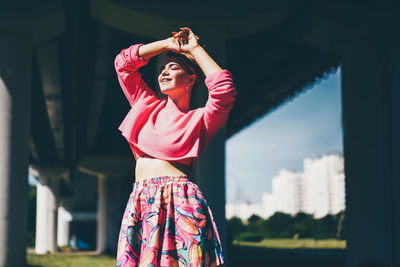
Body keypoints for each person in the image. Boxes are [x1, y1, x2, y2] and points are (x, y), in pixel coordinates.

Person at [115, 27, 236, 267]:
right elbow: (123, 64)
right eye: (162, 68)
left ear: (191, 79)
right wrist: (168, 44)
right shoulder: (145, 103)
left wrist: (194, 49)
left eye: (173, 67)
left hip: (179, 199)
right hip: (141, 198)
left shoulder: (199, 119)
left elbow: (224, 89)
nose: (164, 72)